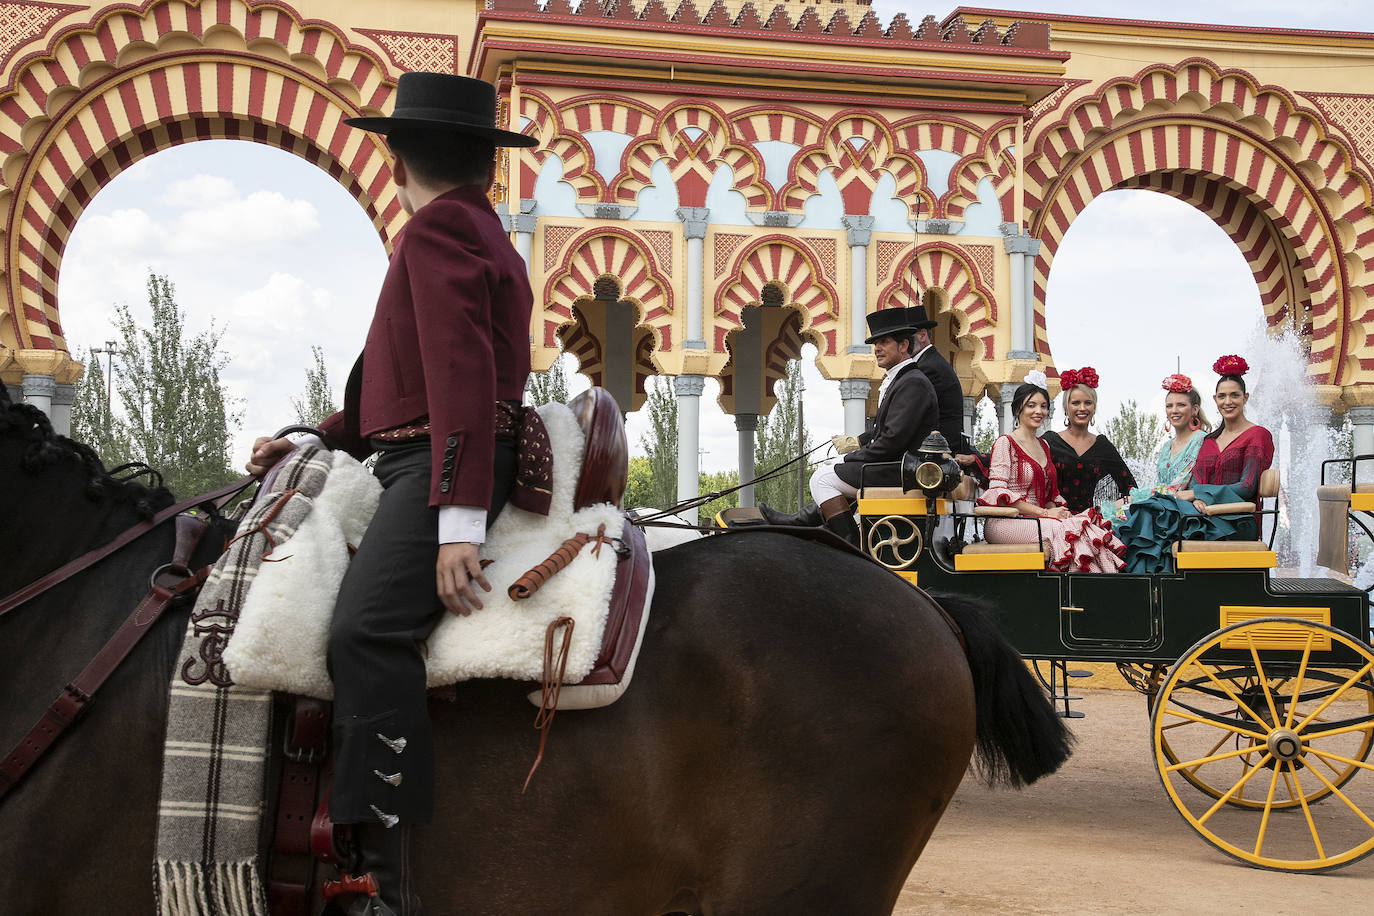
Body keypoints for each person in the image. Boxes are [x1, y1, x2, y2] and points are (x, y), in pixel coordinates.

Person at [243, 72, 539, 916]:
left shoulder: (438, 229)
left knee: (367, 633)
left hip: (438, 470)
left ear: (394, 154)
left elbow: (460, 377)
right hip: (427, 456)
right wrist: (312, 437)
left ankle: (382, 881)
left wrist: (456, 520)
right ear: (485, 161)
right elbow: (398, 388)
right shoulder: (477, 227)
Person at [759, 307, 939, 546]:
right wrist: (855, 451)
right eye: (875, 343)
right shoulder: (905, 379)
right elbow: (883, 435)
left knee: (822, 479)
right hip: (899, 466)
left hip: (903, 470)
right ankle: (810, 524)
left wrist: (849, 458)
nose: (877, 349)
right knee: (828, 473)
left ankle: (848, 543)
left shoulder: (912, 383)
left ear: (903, 345)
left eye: (884, 342)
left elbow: (892, 441)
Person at [1114, 356, 1275, 573]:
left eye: (1234, 395)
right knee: (1145, 513)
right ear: (1215, 399)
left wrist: (1199, 495)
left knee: (1150, 514)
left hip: (1234, 519)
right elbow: (1198, 478)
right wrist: (1198, 497)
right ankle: (1147, 584)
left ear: (1245, 397)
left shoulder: (1257, 435)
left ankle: (1145, 582)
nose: (1228, 402)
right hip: (1201, 514)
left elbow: (1246, 487)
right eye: (1222, 396)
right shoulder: (1210, 441)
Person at [977, 372, 1125, 573]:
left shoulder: (1044, 445)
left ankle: (1095, 589)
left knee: (1086, 527)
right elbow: (1000, 497)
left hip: (1036, 520)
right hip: (1007, 522)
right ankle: (1083, 588)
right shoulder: (1006, 443)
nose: (1038, 411)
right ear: (1018, 408)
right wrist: (1046, 513)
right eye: (1031, 405)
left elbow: (1048, 495)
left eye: (1043, 406)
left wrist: (1059, 512)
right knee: (1071, 531)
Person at [1110, 373, 1209, 523]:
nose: (1174, 410)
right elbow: (1161, 486)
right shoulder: (1166, 446)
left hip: (1185, 508)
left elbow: (1180, 486)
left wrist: (1132, 498)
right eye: (1169, 406)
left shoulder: (1201, 440)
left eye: (1181, 405)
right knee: (1111, 514)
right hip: (1163, 503)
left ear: (1194, 410)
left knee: (1125, 514)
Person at [1039, 366, 1135, 516]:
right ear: (1066, 407)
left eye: (1088, 403)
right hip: (1055, 521)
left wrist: (1106, 511)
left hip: (1090, 522)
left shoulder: (1102, 445)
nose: (1082, 408)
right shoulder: (1049, 442)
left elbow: (1131, 489)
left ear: (1094, 407)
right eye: (1076, 403)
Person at [906, 304, 973, 455]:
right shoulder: (926, 363)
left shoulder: (928, 368)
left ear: (922, 335)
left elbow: (910, 417)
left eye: (905, 338)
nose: (901, 344)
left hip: (938, 455)